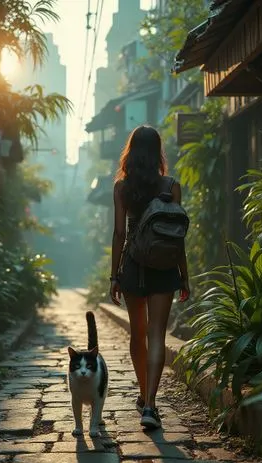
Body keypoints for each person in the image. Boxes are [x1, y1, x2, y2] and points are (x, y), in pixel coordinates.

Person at [109, 125, 190, 429]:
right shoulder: (171, 186)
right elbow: (177, 235)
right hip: (164, 268)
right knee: (157, 333)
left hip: (132, 265)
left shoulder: (122, 188)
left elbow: (119, 233)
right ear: (158, 152)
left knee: (138, 333)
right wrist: (185, 276)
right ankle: (151, 406)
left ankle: (144, 394)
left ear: (130, 152)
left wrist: (114, 276)